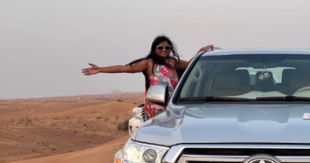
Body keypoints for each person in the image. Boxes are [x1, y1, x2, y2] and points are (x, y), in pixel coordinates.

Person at [82, 35, 213, 119]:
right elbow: (124, 68)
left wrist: (199, 52)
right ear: (154, 48)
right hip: (155, 108)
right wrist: (100, 69)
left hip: (172, 107)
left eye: (167, 48)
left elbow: (190, 65)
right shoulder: (149, 63)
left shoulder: (172, 62)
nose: (164, 50)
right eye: (160, 47)